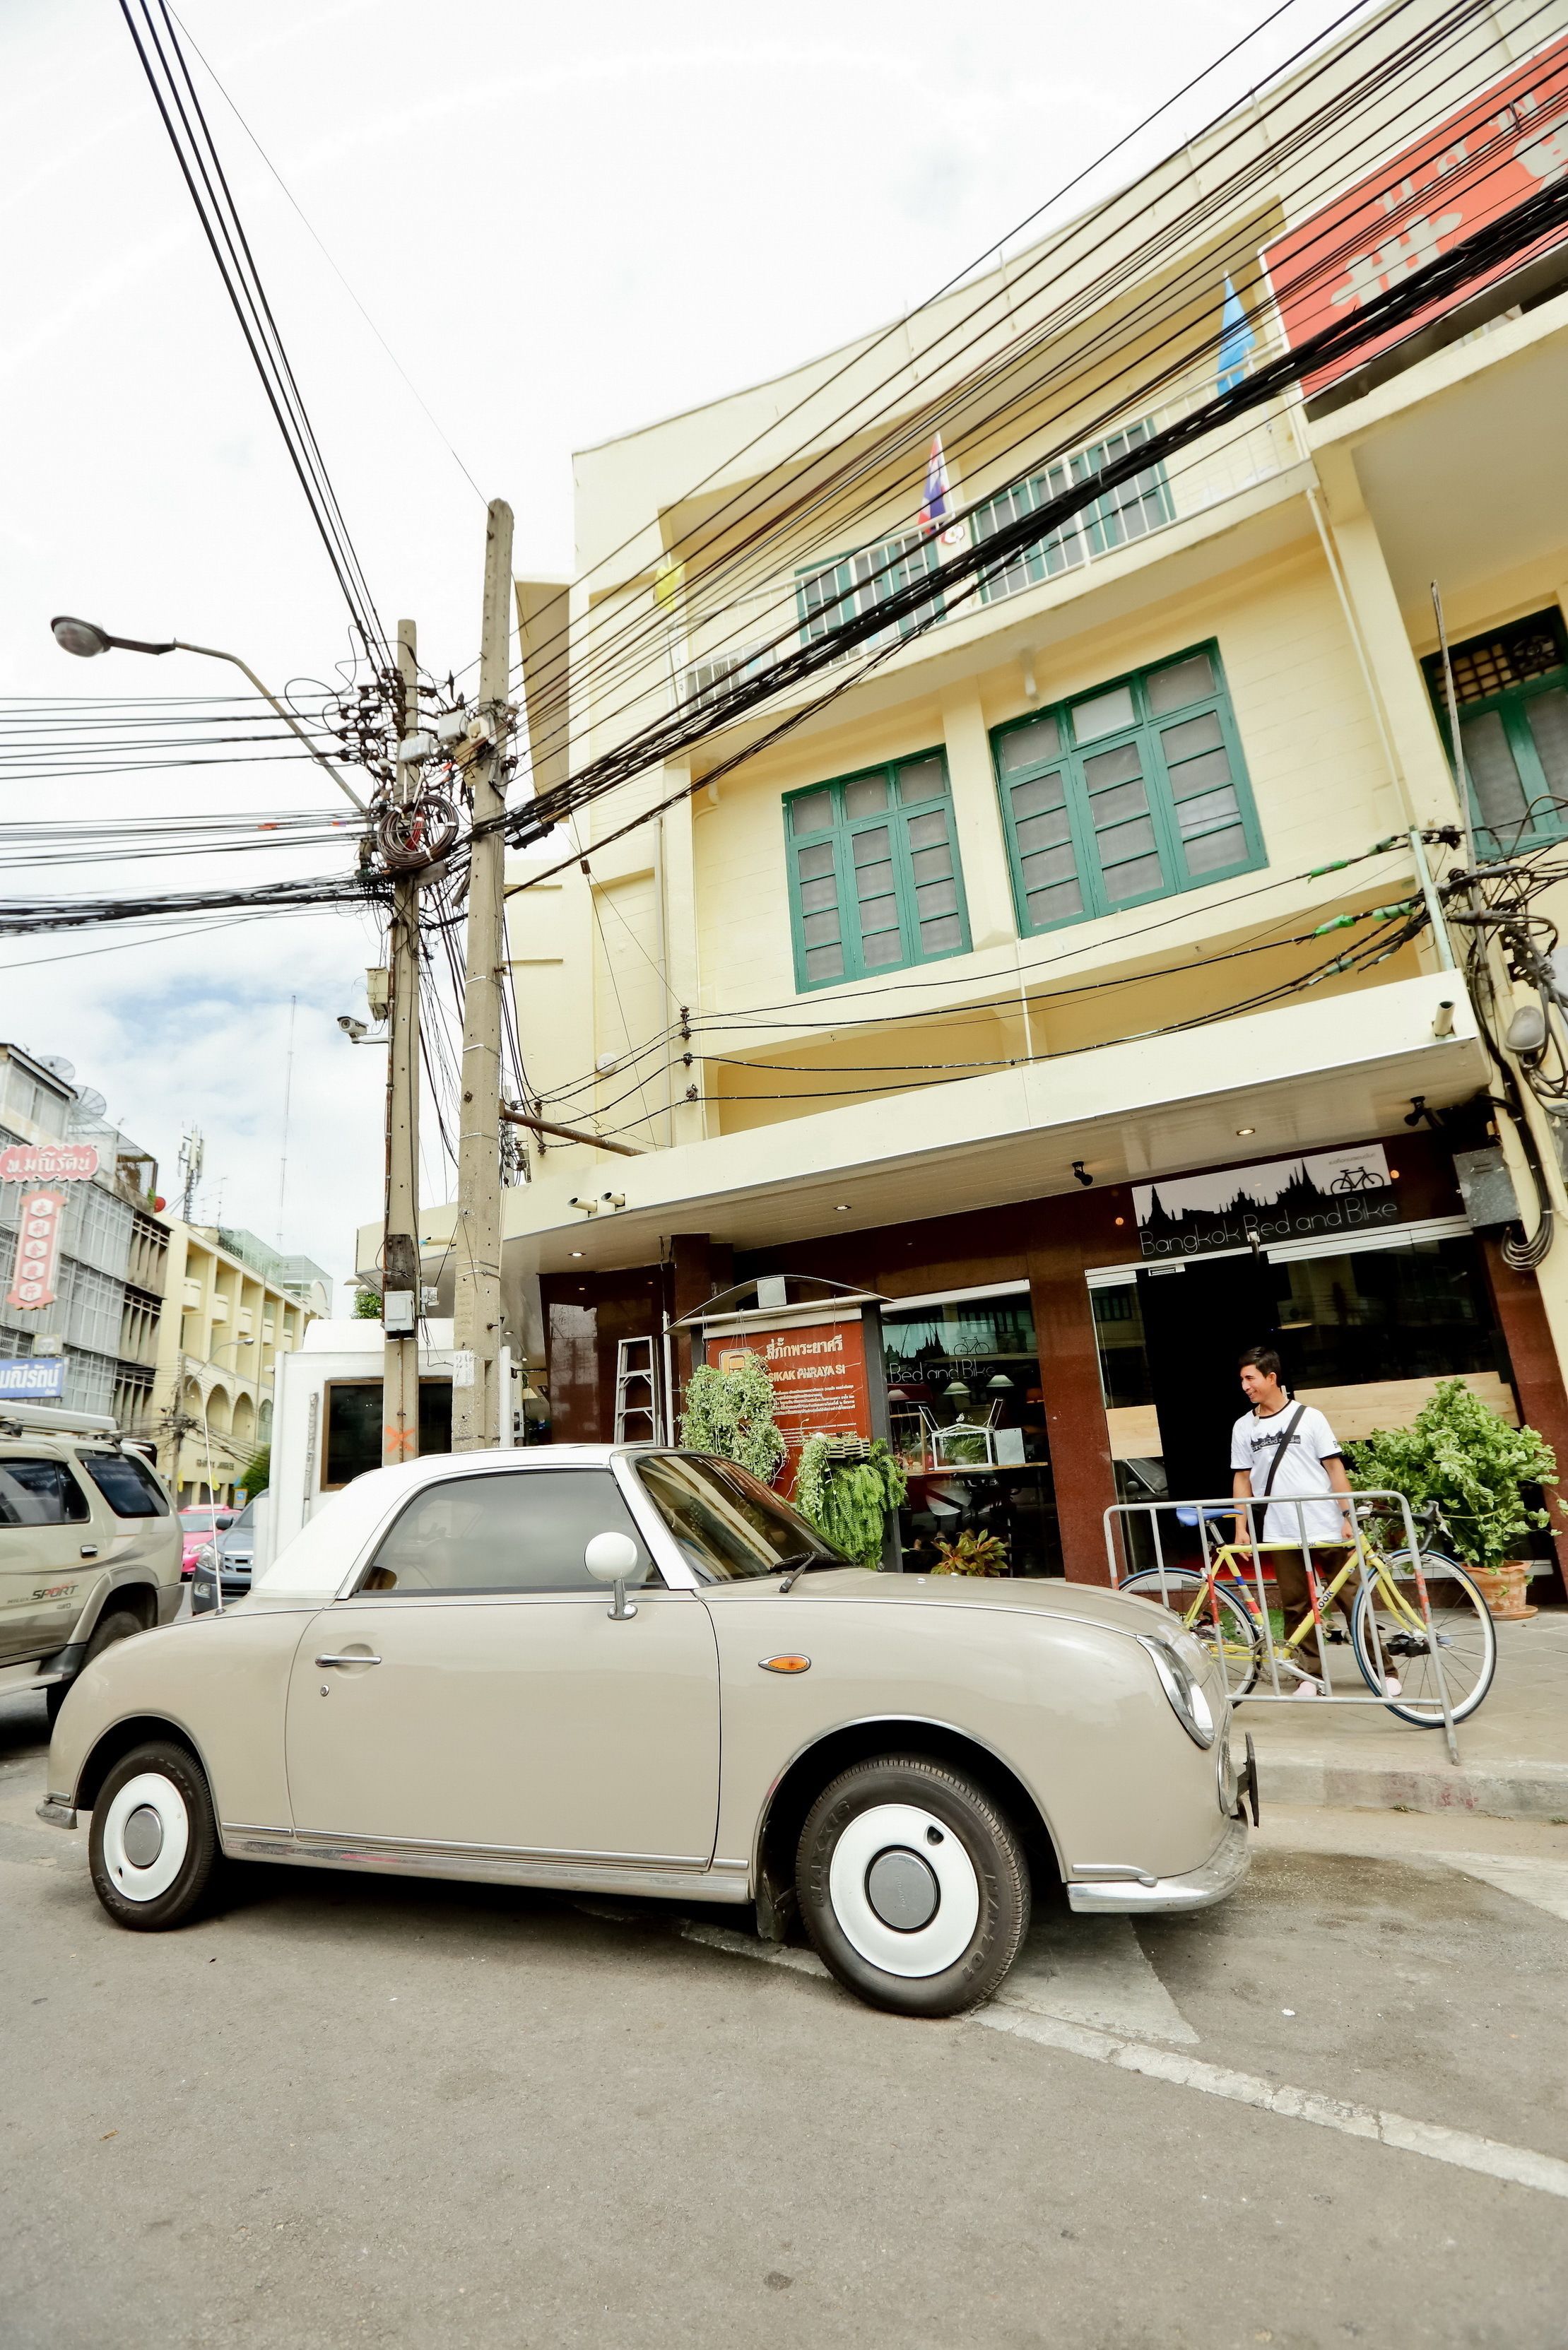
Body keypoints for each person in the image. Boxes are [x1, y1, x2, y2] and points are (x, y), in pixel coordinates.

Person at [1229, 1345, 1399, 1699]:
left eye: (1250, 1378)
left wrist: (1347, 1516)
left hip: (1326, 1524)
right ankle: (1311, 1676)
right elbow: (1242, 1479)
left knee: (1353, 1599)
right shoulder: (1243, 1427)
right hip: (1281, 1529)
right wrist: (1241, 1527)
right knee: (1295, 1605)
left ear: (1271, 1377)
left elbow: (1334, 1469)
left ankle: (1384, 1670)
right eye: (1242, 1379)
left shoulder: (1310, 1418)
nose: (1245, 1386)